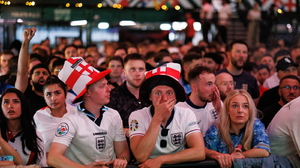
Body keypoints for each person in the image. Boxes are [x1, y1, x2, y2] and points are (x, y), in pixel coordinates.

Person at [48, 57, 129, 167]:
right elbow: (53, 158)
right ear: (88, 93)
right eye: (102, 86)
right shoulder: (71, 119)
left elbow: (123, 152)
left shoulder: (113, 115)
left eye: (107, 84)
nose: (109, 89)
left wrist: (122, 159)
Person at [129, 63, 205, 167]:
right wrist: (157, 118)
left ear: (175, 97)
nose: (164, 99)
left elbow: (199, 152)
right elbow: (141, 156)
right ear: (150, 96)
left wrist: (161, 160)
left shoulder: (186, 113)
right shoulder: (137, 116)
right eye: (158, 93)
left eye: (169, 93)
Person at [204, 89, 270, 168]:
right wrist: (219, 156)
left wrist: (236, 156)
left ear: (250, 110)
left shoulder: (255, 124)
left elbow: (264, 150)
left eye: (245, 106)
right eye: (235, 106)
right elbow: (203, 151)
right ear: (228, 109)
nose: (240, 111)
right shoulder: (216, 130)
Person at [0, 88, 47, 166]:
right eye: (6, 102)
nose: (10, 106)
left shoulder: (35, 135)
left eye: (16, 102)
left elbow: (42, 165)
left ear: (23, 106)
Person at [106, 53, 148, 137]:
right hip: (122, 144)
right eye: (132, 69)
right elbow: (108, 124)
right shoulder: (113, 96)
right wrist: (124, 132)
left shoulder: (151, 95)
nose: (137, 73)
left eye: (141, 69)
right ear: (124, 73)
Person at [34, 75, 75, 154]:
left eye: (57, 93)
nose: (53, 98)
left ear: (65, 94)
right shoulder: (39, 116)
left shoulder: (75, 113)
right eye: (49, 94)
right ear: (44, 97)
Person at [177, 66, 221, 135]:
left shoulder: (217, 103)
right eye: (209, 84)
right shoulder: (180, 110)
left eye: (214, 83)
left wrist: (219, 110)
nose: (214, 89)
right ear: (195, 88)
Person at [15, 27, 50, 113]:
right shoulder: (26, 94)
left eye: (45, 73)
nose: (41, 75)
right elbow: (21, 72)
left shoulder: (54, 97)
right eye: (37, 73)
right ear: (30, 80)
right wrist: (25, 42)